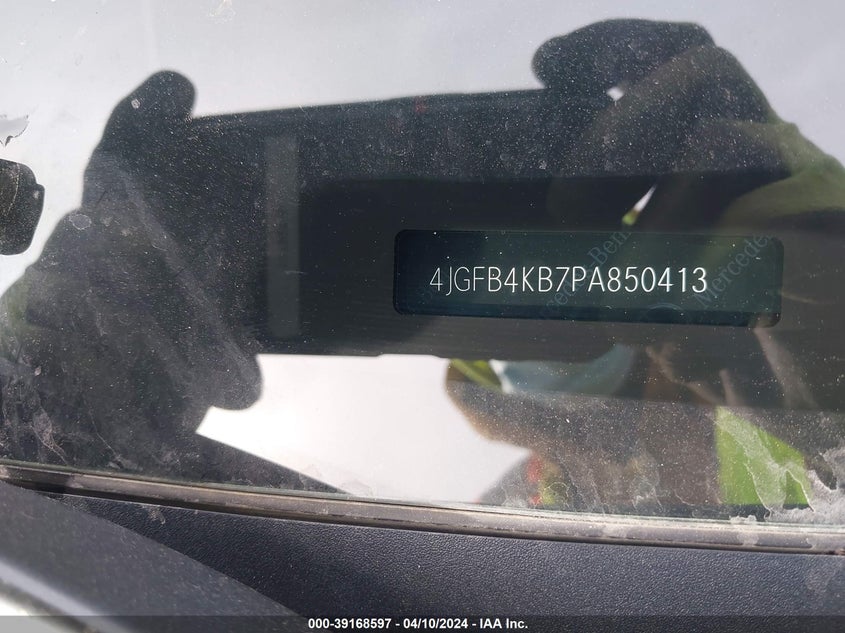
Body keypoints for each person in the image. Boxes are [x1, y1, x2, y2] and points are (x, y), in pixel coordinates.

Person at [0, 19, 842, 516]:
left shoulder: (768, 434)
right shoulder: (510, 525)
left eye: (544, 275)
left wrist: (826, 338)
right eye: (489, 297)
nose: (528, 310)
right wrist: (88, 340)